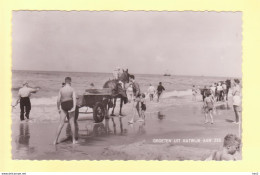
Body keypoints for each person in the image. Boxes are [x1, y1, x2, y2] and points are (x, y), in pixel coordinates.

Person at [54, 77, 77, 144]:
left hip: (63, 105)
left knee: (61, 123)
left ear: (65, 81)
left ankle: (55, 140)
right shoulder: (72, 89)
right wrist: (74, 107)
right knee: (72, 123)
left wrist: (58, 108)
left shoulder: (61, 89)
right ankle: (73, 140)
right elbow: (74, 100)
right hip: (70, 104)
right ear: (70, 82)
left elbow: (58, 100)